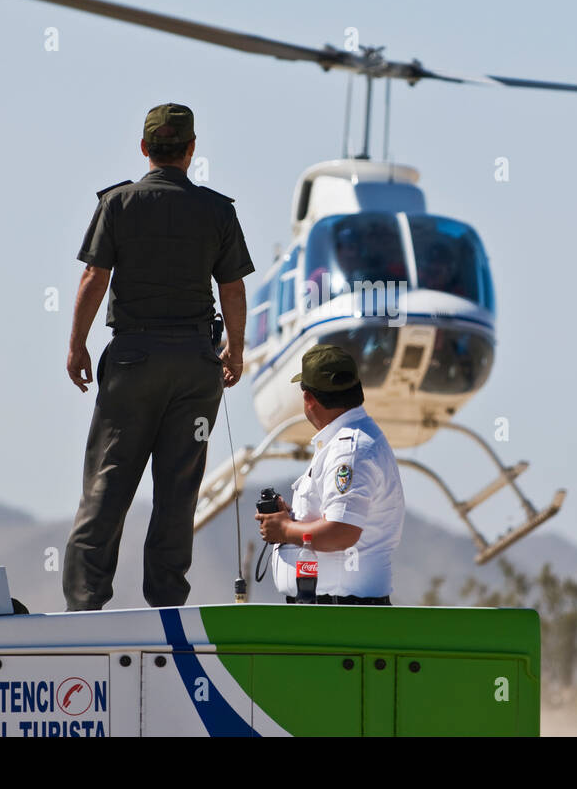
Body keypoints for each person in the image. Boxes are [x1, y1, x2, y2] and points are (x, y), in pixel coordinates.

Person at [64, 103, 254, 610]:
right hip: (196, 366)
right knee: (179, 490)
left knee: (107, 485)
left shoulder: (118, 204)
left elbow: (94, 278)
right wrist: (233, 349)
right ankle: (167, 608)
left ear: (145, 148)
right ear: (191, 151)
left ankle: (84, 609)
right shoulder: (218, 210)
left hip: (133, 362)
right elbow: (232, 287)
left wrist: (77, 343)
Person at [256, 344, 406, 604]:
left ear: (308, 399)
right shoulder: (349, 441)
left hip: (341, 614)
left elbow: (342, 532)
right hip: (336, 611)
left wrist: (285, 529)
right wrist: (294, 519)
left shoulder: (348, 448)